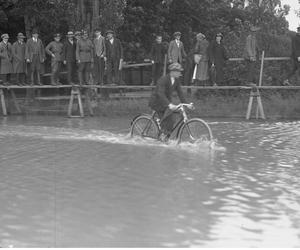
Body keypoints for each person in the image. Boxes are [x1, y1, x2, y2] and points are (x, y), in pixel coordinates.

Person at [149, 62, 193, 141]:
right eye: (179, 71)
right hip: (157, 102)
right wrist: (169, 104)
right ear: (173, 72)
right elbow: (160, 93)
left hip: (165, 102)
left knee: (173, 115)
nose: (180, 73)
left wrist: (187, 104)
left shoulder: (176, 80)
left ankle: (165, 134)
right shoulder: (163, 79)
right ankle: (163, 134)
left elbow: (180, 93)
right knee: (169, 116)